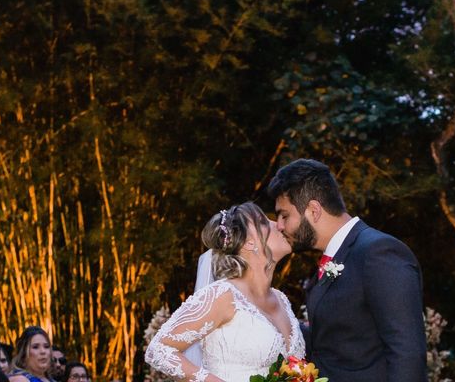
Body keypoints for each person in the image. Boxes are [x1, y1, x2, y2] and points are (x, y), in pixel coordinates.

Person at [267, 158, 427, 382]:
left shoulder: (378, 253)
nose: (280, 226)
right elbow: (333, 343)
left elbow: (408, 354)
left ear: (314, 210)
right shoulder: (334, 258)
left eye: (284, 215)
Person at [145, 202, 304, 382]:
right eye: (263, 222)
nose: (279, 225)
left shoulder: (282, 300)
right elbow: (159, 349)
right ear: (248, 243)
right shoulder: (223, 295)